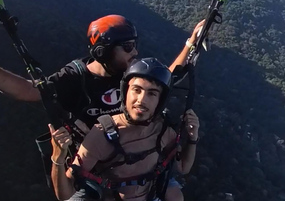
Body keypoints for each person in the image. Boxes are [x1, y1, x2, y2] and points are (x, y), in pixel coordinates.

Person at [0, 14, 204, 130]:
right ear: (104, 51)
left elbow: (168, 76)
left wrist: (191, 42)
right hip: (95, 161)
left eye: (135, 45)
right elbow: (29, 91)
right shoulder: (75, 77)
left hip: (128, 155)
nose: (135, 52)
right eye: (128, 47)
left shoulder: (132, 72)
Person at [49, 57, 200, 201]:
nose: (141, 100)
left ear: (160, 101)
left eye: (152, 93)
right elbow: (65, 194)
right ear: (125, 92)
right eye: (137, 90)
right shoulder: (101, 134)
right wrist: (58, 159)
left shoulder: (162, 130)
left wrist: (192, 138)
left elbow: (183, 167)